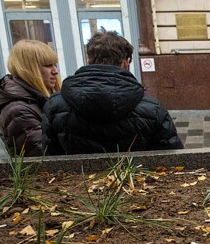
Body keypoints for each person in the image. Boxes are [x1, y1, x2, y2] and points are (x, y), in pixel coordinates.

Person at [43, 31, 183, 155]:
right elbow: (172, 159)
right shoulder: (153, 108)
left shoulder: (54, 105)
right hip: (136, 183)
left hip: (77, 183)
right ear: (127, 62)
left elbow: (50, 159)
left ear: (88, 60)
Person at [0, 40, 61, 157]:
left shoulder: (36, 100)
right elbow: (42, 154)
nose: (55, 71)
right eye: (48, 65)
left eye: (55, 65)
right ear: (28, 69)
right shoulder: (18, 111)